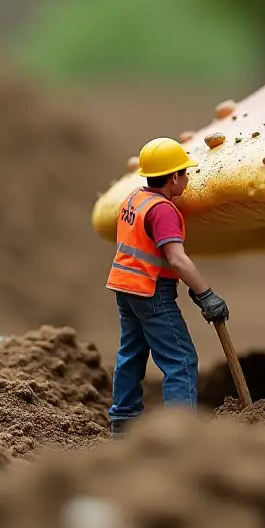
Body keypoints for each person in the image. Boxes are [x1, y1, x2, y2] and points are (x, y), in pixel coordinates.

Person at [105, 137, 230, 437]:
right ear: (173, 177)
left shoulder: (134, 199)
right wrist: (206, 294)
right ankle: (179, 436)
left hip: (125, 287)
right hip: (151, 291)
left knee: (131, 355)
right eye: (185, 174)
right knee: (181, 361)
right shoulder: (163, 211)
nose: (187, 179)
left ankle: (121, 425)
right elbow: (177, 259)